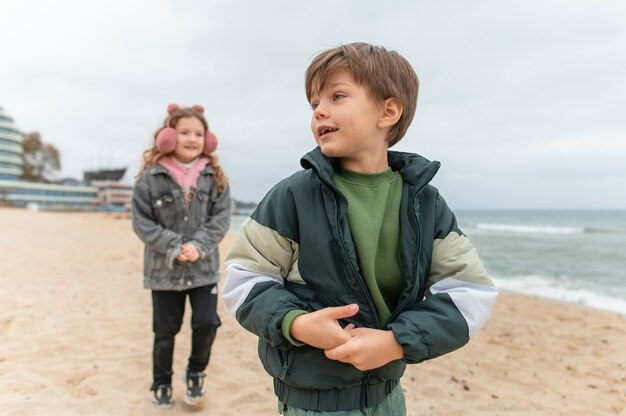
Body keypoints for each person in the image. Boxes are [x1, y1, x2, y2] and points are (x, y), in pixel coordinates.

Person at [222, 42, 498, 415]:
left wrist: (397, 342)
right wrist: (297, 323)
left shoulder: (424, 203)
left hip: (387, 396)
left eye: (337, 96)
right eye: (314, 103)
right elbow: (244, 279)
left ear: (388, 111)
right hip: (311, 402)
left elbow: (470, 292)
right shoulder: (293, 195)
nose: (320, 110)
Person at [132, 104, 231, 408]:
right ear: (167, 136)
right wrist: (175, 246)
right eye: (184, 132)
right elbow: (143, 223)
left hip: (203, 269)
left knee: (206, 323)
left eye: (198, 133)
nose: (192, 139)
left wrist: (198, 245)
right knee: (165, 332)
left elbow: (221, 218)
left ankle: (196, 373)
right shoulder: (150, 178)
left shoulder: (214, 176)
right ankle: (161, 382)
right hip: (164, 272)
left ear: (208, 139)